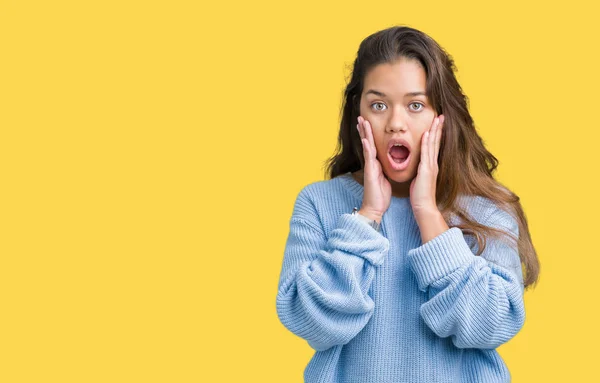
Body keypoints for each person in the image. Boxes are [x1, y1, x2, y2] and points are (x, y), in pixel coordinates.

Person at [275, 25, 540, 383]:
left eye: (416, 105)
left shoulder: (488, 208)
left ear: (442, 117)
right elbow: (312, 323)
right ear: (359, 115)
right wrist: (367, 217)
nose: (396, 124)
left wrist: (428, 215)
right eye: (379, 105)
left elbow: (492, 325)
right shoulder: (319, 203)